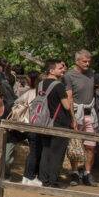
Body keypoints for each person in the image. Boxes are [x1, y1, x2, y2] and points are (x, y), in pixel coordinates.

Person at [63, 49, 97, 186]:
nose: (87, 63)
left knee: (91, 146)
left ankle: (87, 173)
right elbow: (69, 97)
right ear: (77, 61)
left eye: (89, 61)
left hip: (90, 114)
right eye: (84, 61)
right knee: (75, 145)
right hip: (77, 113)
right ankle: (75, 172)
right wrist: (72, 118)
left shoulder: (91, 74)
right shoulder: (69, 76)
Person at [37, 59, 73, 187]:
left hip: (44, 121)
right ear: (51, 70)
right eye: (60, 68)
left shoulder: (40, 84)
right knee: (57, 153)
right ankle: (53, 180)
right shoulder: (59, 86)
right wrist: (69, 96)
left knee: (46, 150)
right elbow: (67, 106)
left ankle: (44, 179)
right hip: (59, 123)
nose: (63, 70)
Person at [17, 70, 43, 185]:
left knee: (34, 151)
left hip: (29, 124)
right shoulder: (36, 93)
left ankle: (28, 177)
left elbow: (16, 102)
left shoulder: (28, 93)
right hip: (35, 125)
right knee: (34, 152)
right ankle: (29, 176)